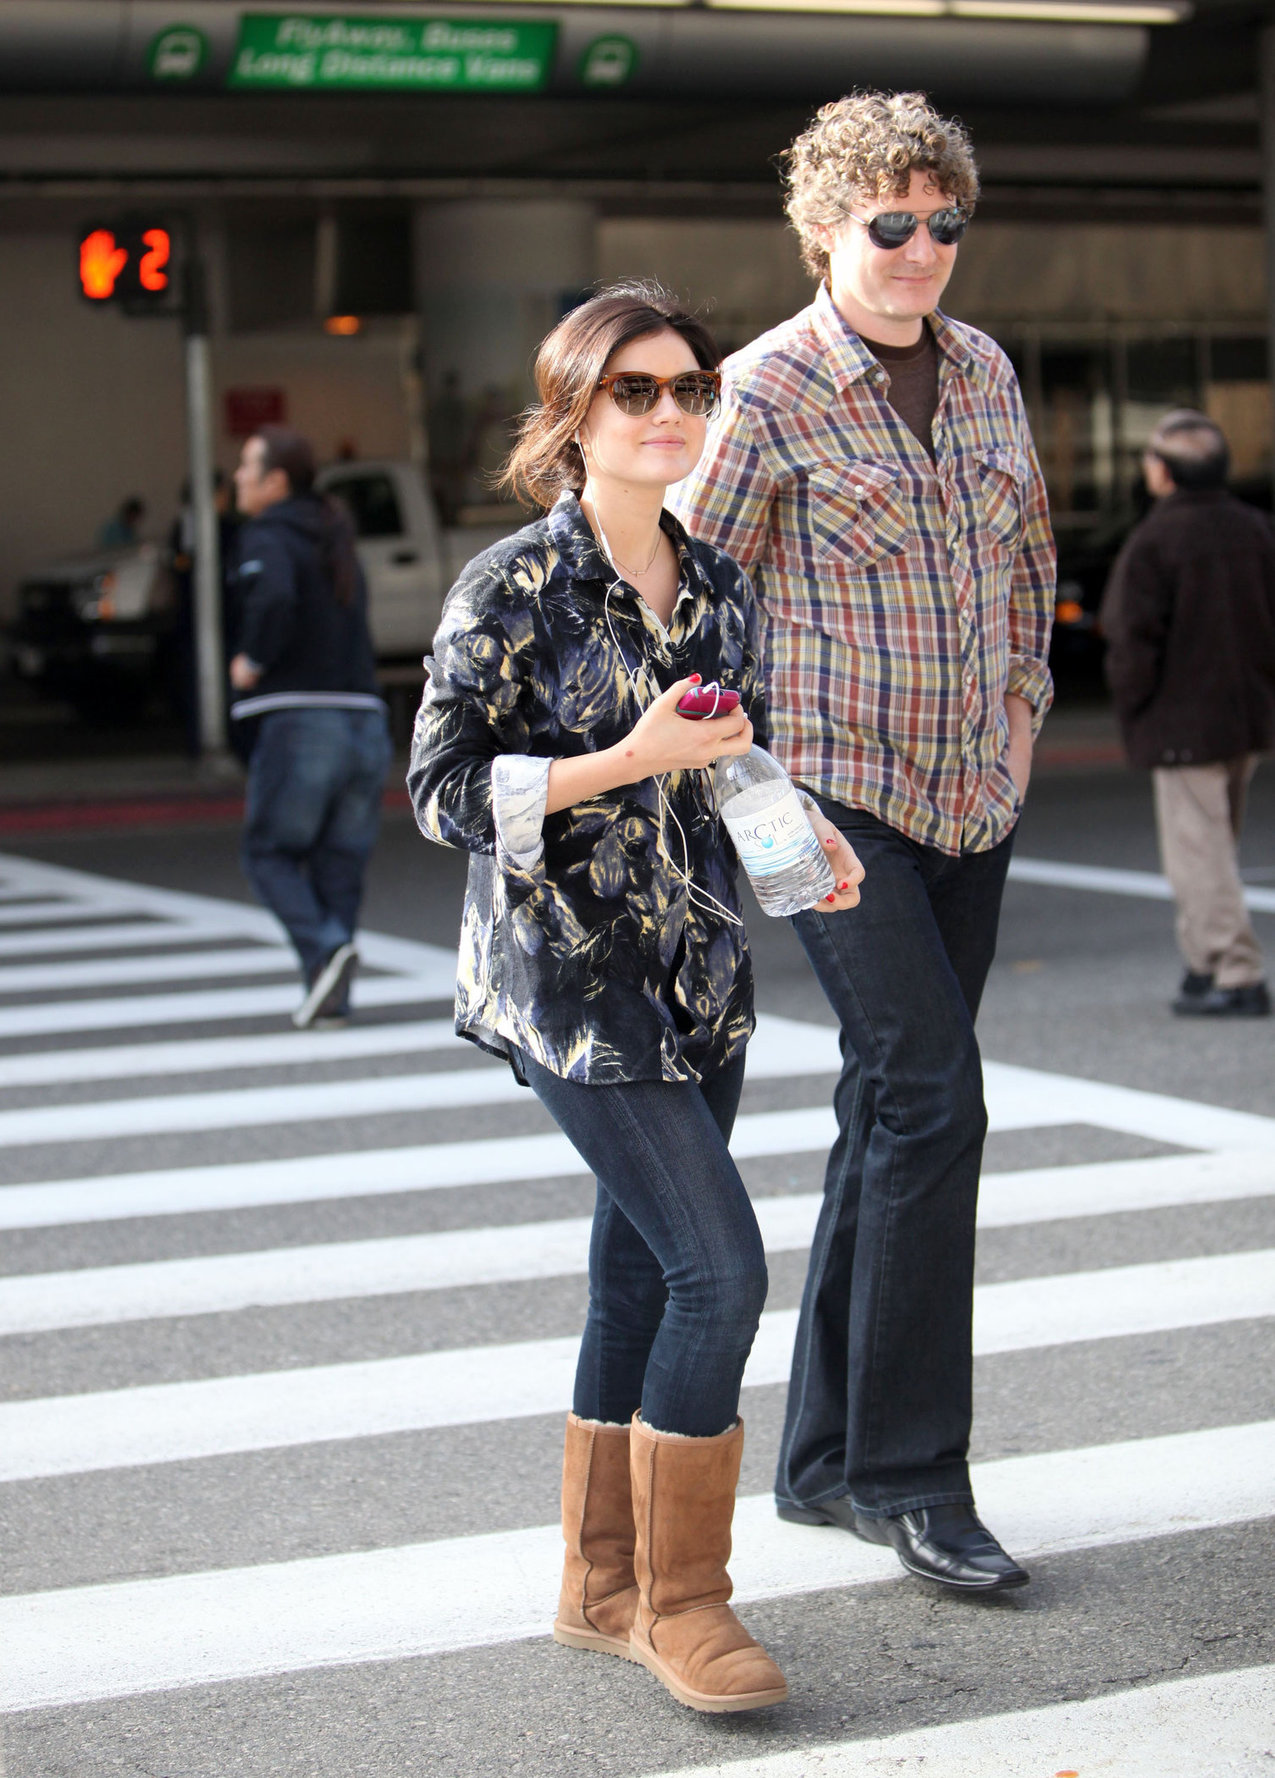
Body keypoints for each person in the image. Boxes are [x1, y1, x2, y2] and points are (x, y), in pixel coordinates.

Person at [407, 283, 863, 1713]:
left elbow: (728, 759)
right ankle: (684, 1604)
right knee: (719, 1271)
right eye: (635, 391)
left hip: (699, 975)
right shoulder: (508, 588)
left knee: (636, 1268)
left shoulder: (718, 582)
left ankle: (597, 1585)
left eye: (690, 389)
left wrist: (804, 840)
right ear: (570, 420)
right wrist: (619, 754)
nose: (671, 413)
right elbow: (438, 793)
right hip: (568, 986)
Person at [671, 92, 1055, 1593]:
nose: (916, 249)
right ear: (823, 228)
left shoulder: (982, 371)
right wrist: (743, 793)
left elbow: (1024, 563)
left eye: (938, 222)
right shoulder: (764, 389)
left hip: (973, 793)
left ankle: (823, 1458)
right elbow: (692, 602)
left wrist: (1021, 715)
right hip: (829, 804)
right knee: (932, 1099)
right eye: (885, 222)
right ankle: (911, 1476)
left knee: (885, 1112)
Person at [1100, 410, 1275, 1017]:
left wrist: (1135, 710)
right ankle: (1203, 965)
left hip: (1182, 726)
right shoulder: (1256, 529)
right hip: (1246, 719)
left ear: (1167, 472)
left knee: (1200, 855)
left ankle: (1235, 973)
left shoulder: (1156, 541)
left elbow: (1130, 641)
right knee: (1212, 846)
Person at [229, 426, 392, 1030]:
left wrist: (251, 659)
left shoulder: (269, 534)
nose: (237, 478)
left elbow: (272, 599)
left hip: (303, 719)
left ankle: (325, 950)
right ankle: (332, 995)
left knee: (268, 851)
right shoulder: (335, 535)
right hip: (364, 719)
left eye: (247, 467)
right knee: (339, 861)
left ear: (275, 481)